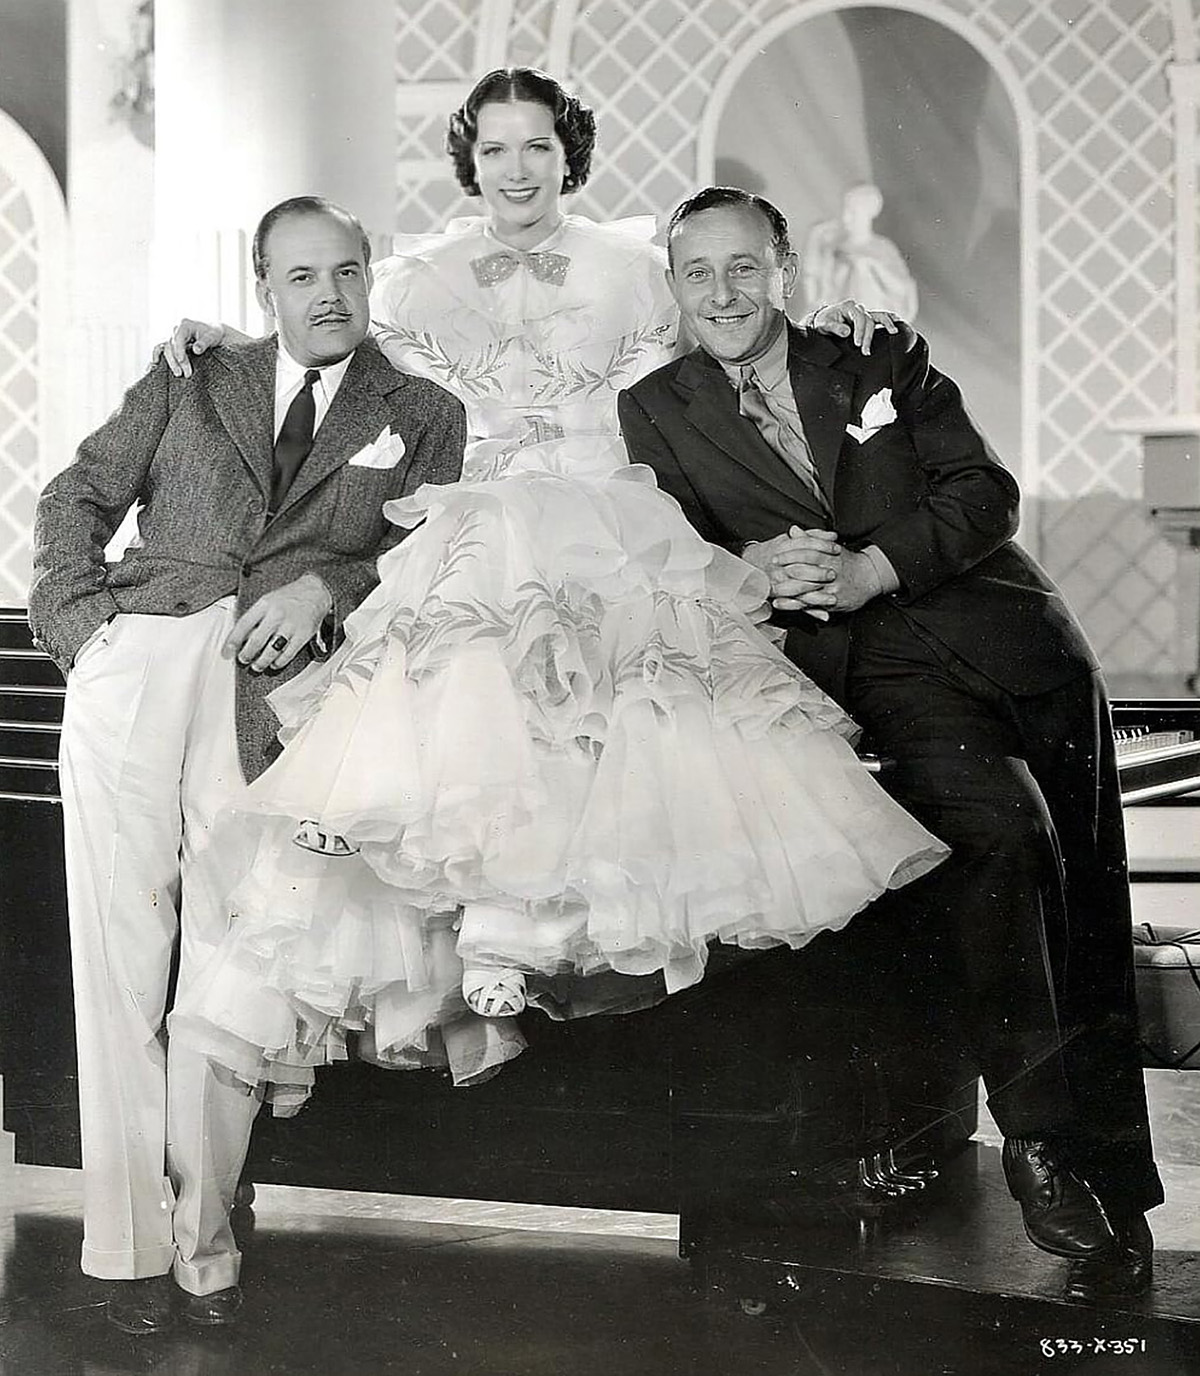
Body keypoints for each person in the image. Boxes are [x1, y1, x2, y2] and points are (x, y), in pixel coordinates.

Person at [164, 68, 947, 1108]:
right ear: (469, 160)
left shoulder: (638, 269)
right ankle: (486, 954)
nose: (517, 169)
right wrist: (228, 344)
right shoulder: (408, 278)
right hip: (471, 516)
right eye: (494, 149)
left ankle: (556, 944)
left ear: (569, 154)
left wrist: (833, 312)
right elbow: (326, 328)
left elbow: (736, 323)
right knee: (460, 714)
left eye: (537, 146)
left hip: (608, 517)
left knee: (625, 723)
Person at [617, 185, 1163, 1301]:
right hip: (863, 677)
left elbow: (983, 491)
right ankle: (1042, 1147)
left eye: (744, 267)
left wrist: (872, 564)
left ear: (785, 270)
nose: (724, 292)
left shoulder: (875, 357)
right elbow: (674, 549)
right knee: (1004, 841)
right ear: (673, 288)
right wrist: (753, 571)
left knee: (1083, 895)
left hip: (1012, 647)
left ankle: (1113, 1184)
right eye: (698, 273)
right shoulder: (653, 409)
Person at [27, 195, 466, 1334]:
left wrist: (330, 587)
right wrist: (86, 634)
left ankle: (204, 1245)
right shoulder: (192, 375)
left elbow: (427, 564)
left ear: (372, 278)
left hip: (279, 701)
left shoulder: (422, 413)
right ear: (263, 287)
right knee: (120, 958)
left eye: (348, 272)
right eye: (302, 275)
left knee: (229, 969)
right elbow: (74, 494)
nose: (329, 294)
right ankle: (122, 1244)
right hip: (140, 658)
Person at [802, 182, 918, 319]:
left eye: (853, 211)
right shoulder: (834, 248)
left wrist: (870, 264)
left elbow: (901, 288)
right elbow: (814, 284)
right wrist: (814, 239)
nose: (846, 216)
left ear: (869, 213)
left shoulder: (882, 248)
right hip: (839, 323)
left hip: (874, 321)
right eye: (845, 209)